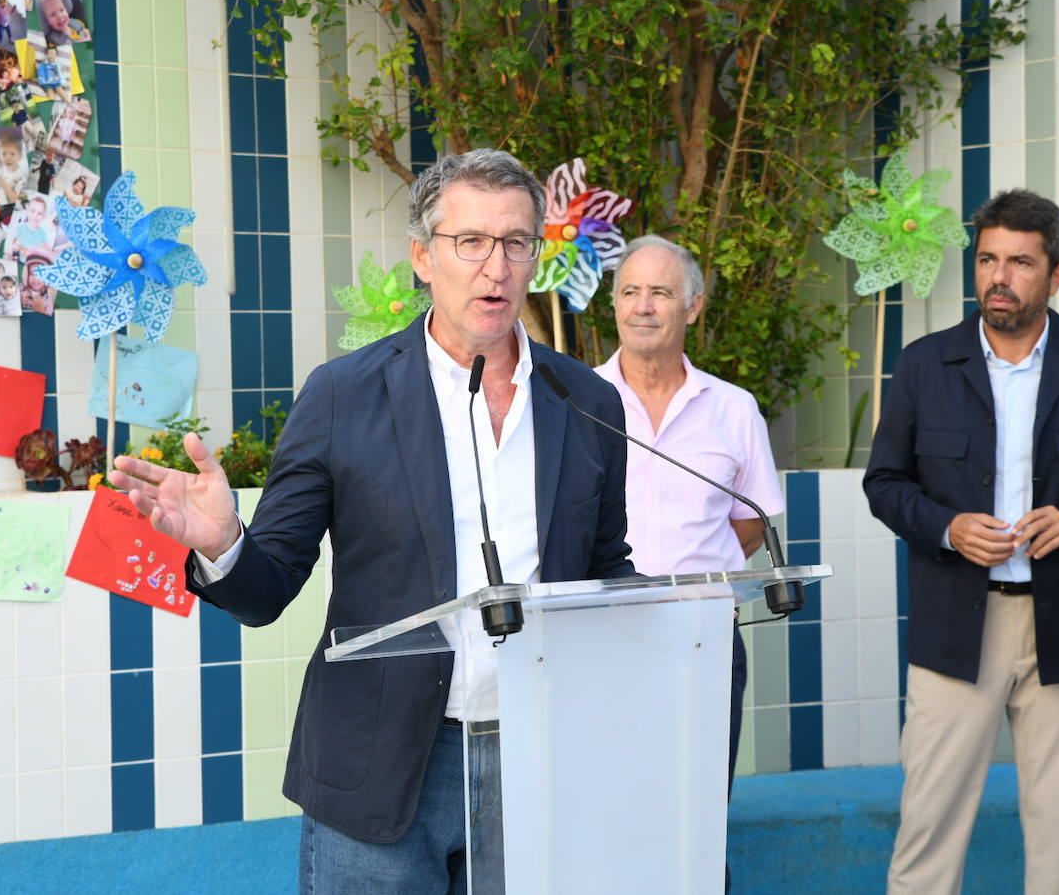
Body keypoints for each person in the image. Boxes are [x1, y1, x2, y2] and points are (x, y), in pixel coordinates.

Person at [108, 149, 635, 892]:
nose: (497, 266)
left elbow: (606, 566)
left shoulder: (585, 400)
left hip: (539, 757)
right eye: (471, 242)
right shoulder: (341, 396)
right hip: (381, 769)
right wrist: (226, 542)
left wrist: (668, 618)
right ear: (423, 257)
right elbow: (268, 590)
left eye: (518, 242)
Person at [863, 189, 1059, 894]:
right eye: (988, 258)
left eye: (1021, 262)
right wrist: (946, 526)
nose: (999, 276)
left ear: (1056, 276)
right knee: (928, 831)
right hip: (955, 628)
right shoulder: (924, 365)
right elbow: (885, 483)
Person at [592, 235, 782, 877]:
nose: (643, 307)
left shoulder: (732, 409)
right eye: (630, 292)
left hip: (704, 638)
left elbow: (749, 522)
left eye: (661, 292)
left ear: (693, 307)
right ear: (612, 305)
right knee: (603, 815)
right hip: (599, 640)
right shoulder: (576, 403)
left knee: (695, 820)